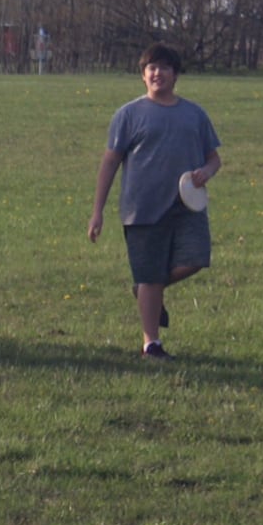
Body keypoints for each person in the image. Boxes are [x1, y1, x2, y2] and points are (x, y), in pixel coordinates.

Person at [87, 43, 221, 360]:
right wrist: (97, 212)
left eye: (164, 68)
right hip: (142, 210)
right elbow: (109, 163)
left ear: (176, 75)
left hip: (187, 206)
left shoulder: (194, 114)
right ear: (143, 75)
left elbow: (214, 159)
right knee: (150, 275)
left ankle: (147, 290)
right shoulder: (129, 115)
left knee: (196, 259)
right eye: (152, 68)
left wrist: (205, 171)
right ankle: (152, 344)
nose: (157, 73)